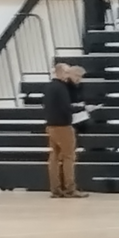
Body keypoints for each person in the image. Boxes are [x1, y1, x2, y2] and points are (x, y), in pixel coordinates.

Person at [43, 63, 86, 198]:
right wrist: (82, 109)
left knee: (54, 158)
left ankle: (55, 189)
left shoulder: (49, 87)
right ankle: (70, 189)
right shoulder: (61, 88)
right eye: (67, 72)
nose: (69, 75)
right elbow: (65, 107)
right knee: (69, 157)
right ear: (60, 72)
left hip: (51, 125)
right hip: (63, 126)